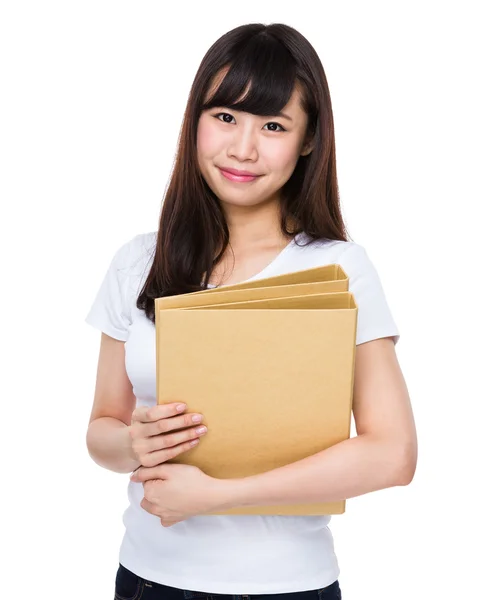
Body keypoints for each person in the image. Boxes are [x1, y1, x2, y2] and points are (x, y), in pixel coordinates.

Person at [85, 22, 417, 600]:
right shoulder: (139, 260)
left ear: (308, 140)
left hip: (287, 587)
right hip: (146, 580)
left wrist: (216, 495)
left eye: (272, 125)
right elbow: (101, 432)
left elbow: (393, 454)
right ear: (195, 122)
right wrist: (133, 444)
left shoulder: (340, 268)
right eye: (225, 117)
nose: (243, 148)